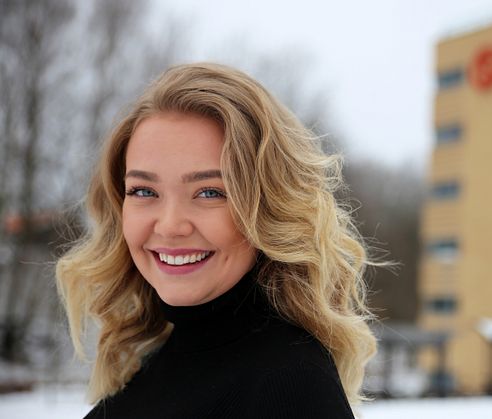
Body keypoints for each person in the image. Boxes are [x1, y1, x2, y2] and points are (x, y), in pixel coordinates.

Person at [55, 63, 377, 418]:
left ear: (267, 208)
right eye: (144, 190)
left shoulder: (290, 384)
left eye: (209, 192)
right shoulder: (154, 363)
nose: (170, 225)